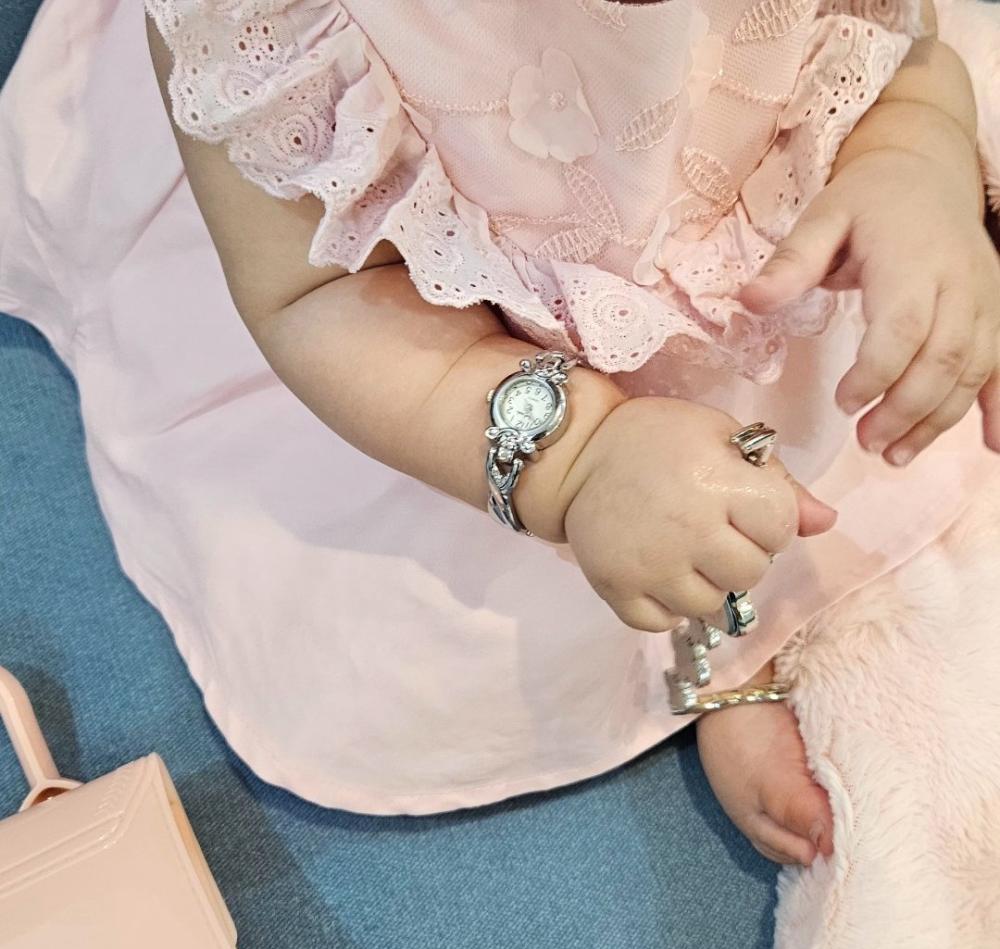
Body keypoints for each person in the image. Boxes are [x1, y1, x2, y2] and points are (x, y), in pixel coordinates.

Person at [134, 0, 1000, 866]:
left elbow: (899, 51)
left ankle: (741, 614)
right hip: (456, 367)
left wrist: (910, 158)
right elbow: (323, 296)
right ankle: (709, 639)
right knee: (446, 648)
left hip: (773, 271)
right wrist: (578, 459)